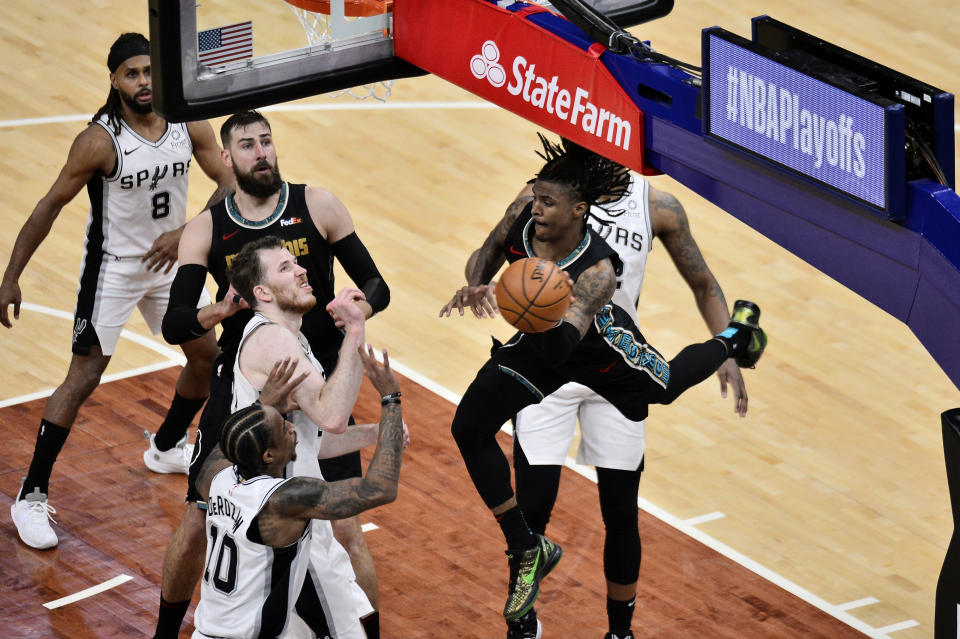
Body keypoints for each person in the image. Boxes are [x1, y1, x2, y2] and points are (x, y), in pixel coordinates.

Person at [439, 135, 767, 627]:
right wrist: (480, 283)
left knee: (669, 384)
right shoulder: (526, 211)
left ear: (578, 211)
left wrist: (533, 302)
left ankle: (736, 337)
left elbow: (560, 350)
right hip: (542, 340)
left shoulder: (597, 272)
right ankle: (528, 549)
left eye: (548, 203)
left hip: (597, 349)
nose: (538, 209)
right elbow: (486, 253)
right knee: (468, 427)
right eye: (537, 200)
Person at [154, 110, 390, 639]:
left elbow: (378, 284)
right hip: (245, 389)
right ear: (226, 157)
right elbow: (174, 323)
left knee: (344, 531)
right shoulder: (208, 228)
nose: (261, 152)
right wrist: (224, 310)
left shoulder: (316, 204)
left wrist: (353, 310)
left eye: (266, 142)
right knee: (199, 520)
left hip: (318, 375)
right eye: (247, 145)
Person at [1, 33, 233, 551]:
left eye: (149, 71)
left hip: (171, 262)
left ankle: (168, 445)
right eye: (132, 74)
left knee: (208, 356)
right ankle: (31, 494)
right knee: (83, 377)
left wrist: (186, 232)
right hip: (113, 270)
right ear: (114, 80)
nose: (144, 81)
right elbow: (47, 206)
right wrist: (12, 274)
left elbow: (228, 181)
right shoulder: (99, 140)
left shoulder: (186, 119)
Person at [228, 235, 407, 637]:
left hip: (288, 516)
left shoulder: (291, 338)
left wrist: (375, 433)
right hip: (285, 524)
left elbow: (315, 441)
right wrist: (355, 328)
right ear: (262, 292)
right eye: (285, 268)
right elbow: (333, 415)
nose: (302, 269)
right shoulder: (273, 339)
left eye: (297, 263)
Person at [191, 352, 405, 639]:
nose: (292, 427)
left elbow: (230, 439)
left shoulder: (215, 476)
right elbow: (380, 488)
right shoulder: (284, 501)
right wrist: (391, 399)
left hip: (208, 631)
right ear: (268, 455)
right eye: (283, 427)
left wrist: (264, 404)